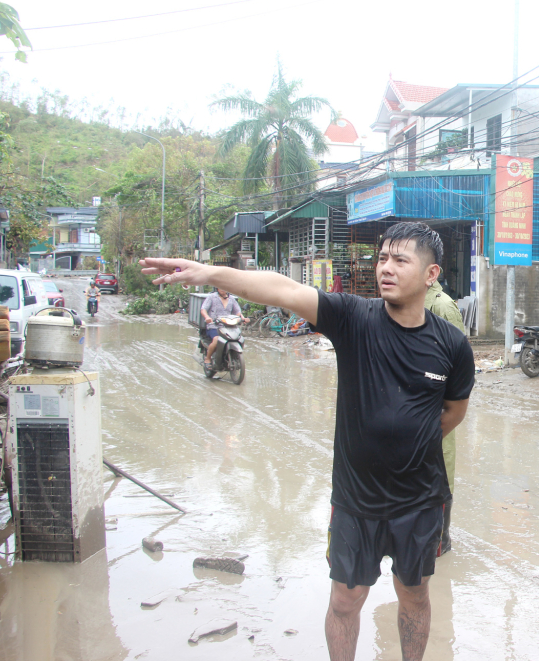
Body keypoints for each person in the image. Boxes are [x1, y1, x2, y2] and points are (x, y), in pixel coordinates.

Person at [140, 221, 475, 661]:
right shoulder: (354, 317)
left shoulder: (451, 343)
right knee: (344, 599)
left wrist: (408, 442)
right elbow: (281, 289)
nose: (385, 269)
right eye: (382, 259)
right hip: (356, 499)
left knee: (414, 595)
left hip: (421, 499)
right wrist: (209, 273)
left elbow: (453, 411)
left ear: (430, 275)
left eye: (400, 260)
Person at [424, 278, 466, 555]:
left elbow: (459, 363)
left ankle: (440, 542)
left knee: (439, 476)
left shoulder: (442, 306)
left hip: (436, 412)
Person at [200, 288, 249, 366]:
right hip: (214, 325)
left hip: (229, 326)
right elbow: (203, 309)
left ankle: (234, 357)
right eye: (221, 287)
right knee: (216, 340)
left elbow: (238, 312)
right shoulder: (211, 297)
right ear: (217, 288)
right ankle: (208, 359)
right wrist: (207, 317)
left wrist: (242, 318)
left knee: (240, 339)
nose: (223, 289)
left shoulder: (232, 299)